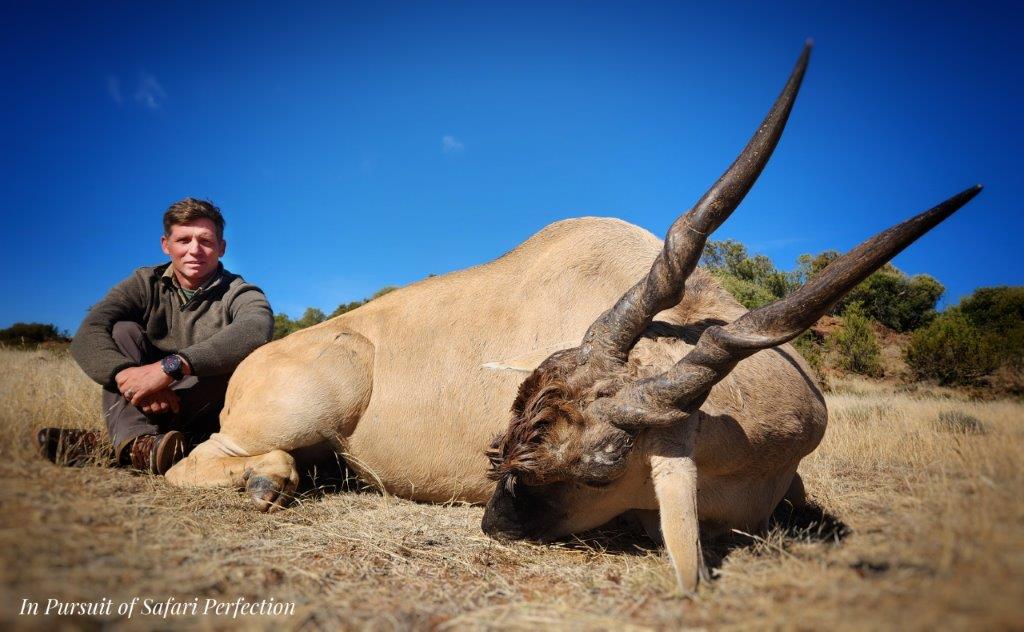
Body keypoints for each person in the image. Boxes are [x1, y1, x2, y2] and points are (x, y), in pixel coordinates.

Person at [37, 198, 274, 474]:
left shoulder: (240, 291)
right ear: (166, 245)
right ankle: (141, 444)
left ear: (221, 248)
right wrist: (129, 378)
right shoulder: (144, 282)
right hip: (142, 398)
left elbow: (257, 327)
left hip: (204, 404)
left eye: (206, 241)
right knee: (122, 331)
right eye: (183, 240)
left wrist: (171, 368)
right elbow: (89, 331)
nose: (194, 250)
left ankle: (121, 445)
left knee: (234, 365)